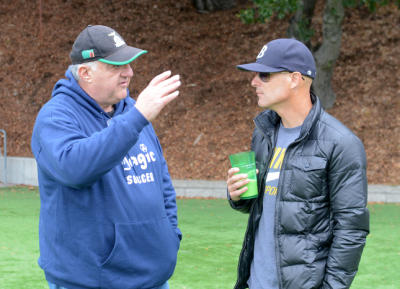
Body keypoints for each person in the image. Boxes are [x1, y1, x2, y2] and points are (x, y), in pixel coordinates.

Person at [31, 25, 182, 289]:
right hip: (90, 281)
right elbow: (75, 168)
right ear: (85, 72)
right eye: (116, 66)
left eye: (129, 64)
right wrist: (137, 118)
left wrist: (170, 235)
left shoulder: (133, 110)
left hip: (153, 278)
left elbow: (161, 180)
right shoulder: (56, 116)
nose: (129, 72)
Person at [226, 38, 369, 289]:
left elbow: (351, 231)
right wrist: (238, 196)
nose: (254, 82)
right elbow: (269, 206)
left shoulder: (341, 143)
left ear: (294, 79)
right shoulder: (264, 133)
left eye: (264, 75)